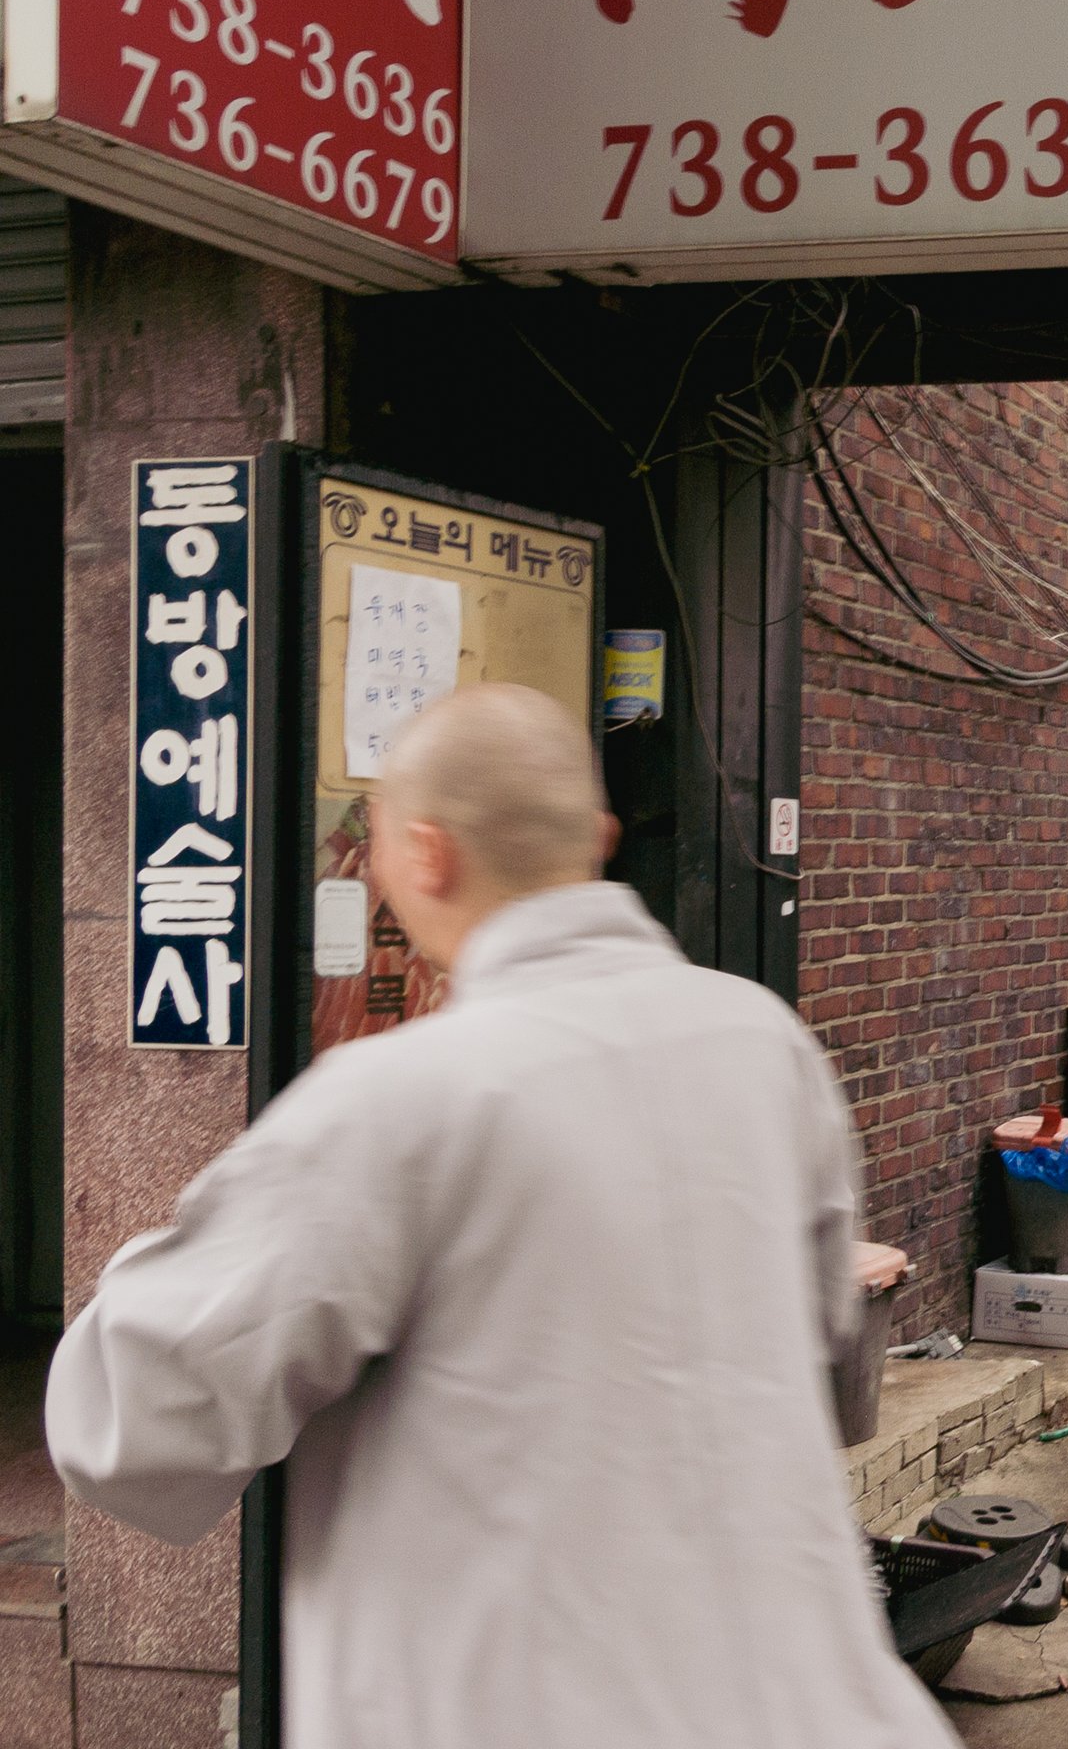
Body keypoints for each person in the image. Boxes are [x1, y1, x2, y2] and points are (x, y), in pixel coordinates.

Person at [48, 683, 960, 1748]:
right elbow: (812, 1321)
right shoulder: (765, 1044)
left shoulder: (398, 1099)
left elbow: (134, 1414)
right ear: (602, 836)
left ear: (422, 856)